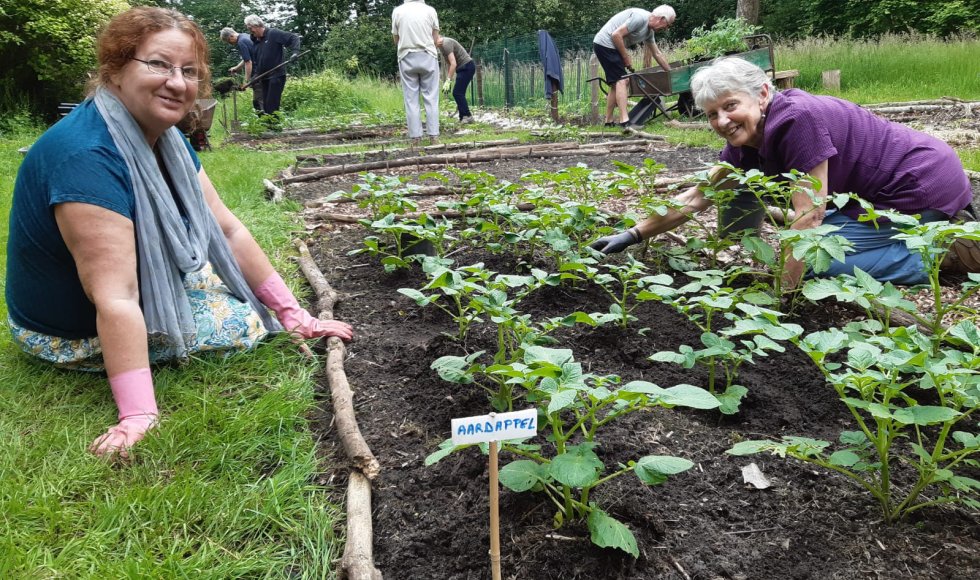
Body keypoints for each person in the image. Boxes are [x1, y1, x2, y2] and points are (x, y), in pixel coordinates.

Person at [5, 6, 353, 458]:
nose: (177, 81)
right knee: (243, 321)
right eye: (158, 64)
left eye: (189, 70)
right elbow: (116, 296)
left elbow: (226, 230)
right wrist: (138, 414)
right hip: (63, 327)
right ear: (115, 69)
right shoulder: (86, 156)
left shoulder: (164, 136)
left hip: (109, 297)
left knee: (229, 288)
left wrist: (294, 315)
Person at [590, 57, 977, 287]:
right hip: (873, 193)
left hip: (918, 185)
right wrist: (631, 234)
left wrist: (782, 290)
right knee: (737, 186)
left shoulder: (797, 120)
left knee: (821, 266)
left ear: (761, 94)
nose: (722, 120)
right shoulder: (744, 143)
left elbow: (809, 218)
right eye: (712, 114)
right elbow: (697, 196)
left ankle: (947, 249)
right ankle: (742, 250)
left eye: (730, 106)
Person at [593, 5, 675, 128]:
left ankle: (608, 121)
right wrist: (626, 57)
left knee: (616, 84)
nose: (666, 28)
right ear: (661, 19)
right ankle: (625, 122)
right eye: (667, 25)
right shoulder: (640, 18)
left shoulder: (649, 32)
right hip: (606, 44)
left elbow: (657, 53)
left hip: (608, 46)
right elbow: (616, 35)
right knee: (623, 80)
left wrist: (671, 73)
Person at [391, 0, 440, 144]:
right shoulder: (430, 10)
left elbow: (396, 39)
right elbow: (435, 37)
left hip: (406, 57)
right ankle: (434, 136)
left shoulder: (398, 11)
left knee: (411, 99)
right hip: (428, 55)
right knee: (431, 97)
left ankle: (415, 138)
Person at [244, 14, 301, 117]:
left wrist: (295, 53)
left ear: (257, 25)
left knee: (272, 105)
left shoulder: (273, 34)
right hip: (264, 77)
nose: (250, 32)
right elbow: (259, 62)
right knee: (265, 105)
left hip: (276, 75)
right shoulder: (256, 42)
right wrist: (255, 76)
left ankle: (274, 129)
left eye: (250, 28)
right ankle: (270, 127)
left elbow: (294, 37)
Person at [219, 26, 262, 112]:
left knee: (258, 102)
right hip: (262, 69)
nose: (230, 44)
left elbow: (248, 62)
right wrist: (236, 68)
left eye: (229, 41)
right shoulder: (245, 36)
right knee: (262, 99)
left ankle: (267, 123)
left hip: (258, 73)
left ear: (231, 36)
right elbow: (247, 58)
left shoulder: (241, 42)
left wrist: (246, 81)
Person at [437, 35, 475, 124]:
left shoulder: (445, 44)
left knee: (457, 93)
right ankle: (462, 117)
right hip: (462, 68)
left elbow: (453, 63)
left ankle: (468, 116)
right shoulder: (441, 47)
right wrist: (448, 79)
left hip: (466, 67)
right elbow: (450, 64)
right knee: (459, 93)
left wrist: (448, 80)